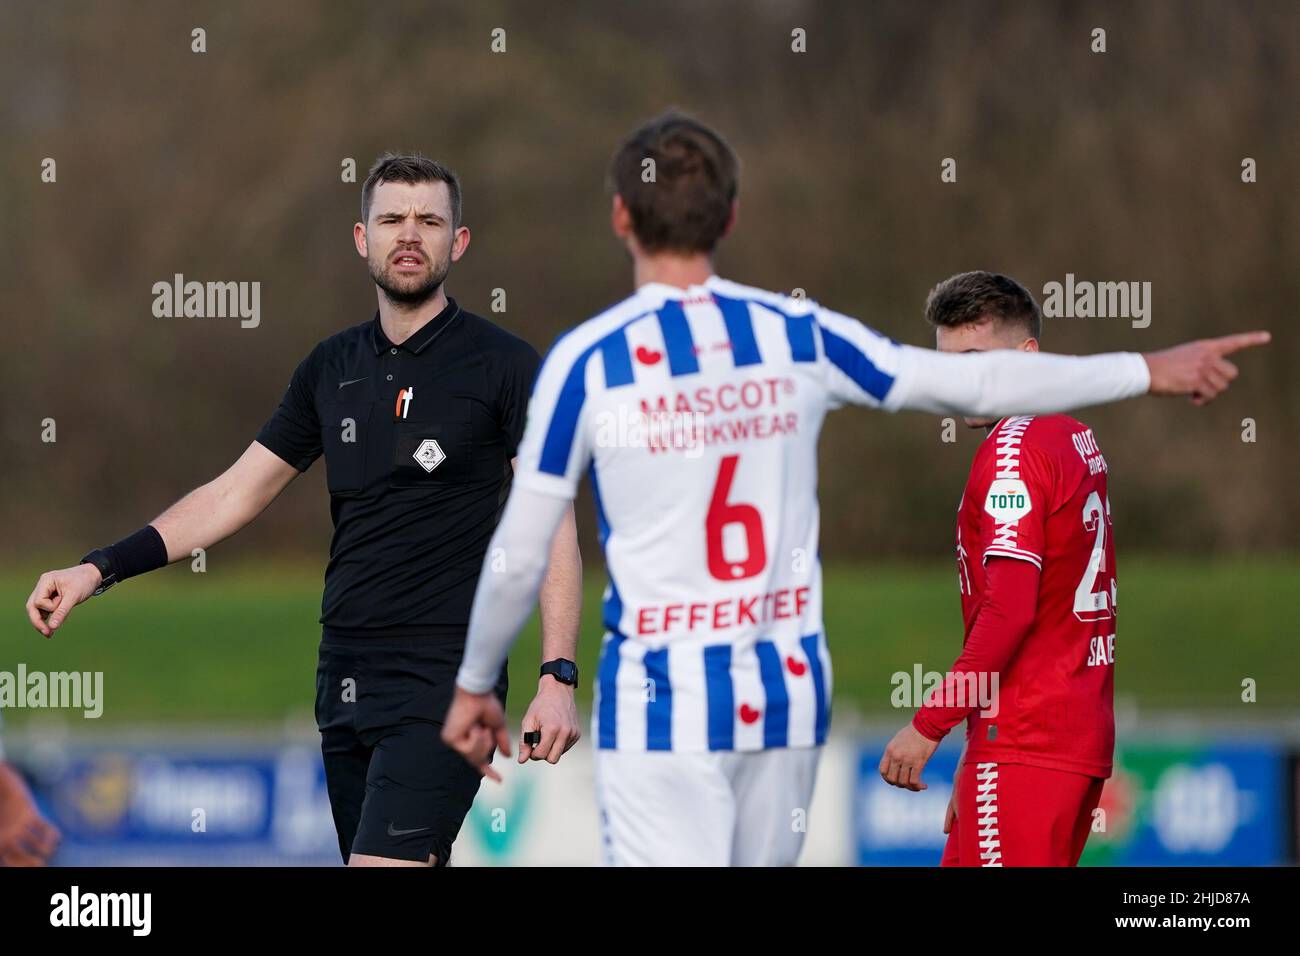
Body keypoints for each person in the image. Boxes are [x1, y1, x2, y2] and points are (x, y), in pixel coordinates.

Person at [438, 111, 1266, 866]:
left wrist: (478, 681)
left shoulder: (587, 361)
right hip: (785, 695)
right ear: (729, 218)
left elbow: (520, 546)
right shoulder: (796, 333)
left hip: (661, 697)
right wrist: (1146, 369)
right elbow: (968, 388)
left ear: (621, 216)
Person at [24, 154, 583, 867]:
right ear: (361, 237)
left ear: (458, 241)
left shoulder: (505, 367)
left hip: (448, 682)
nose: (409, 234)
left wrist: (556, 676)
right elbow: (233, 494)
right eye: (392, 219)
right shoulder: (330, 368)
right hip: (343, 679)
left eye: (429, 220)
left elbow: (551, 524)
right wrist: (96, 569)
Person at [879, 271, 1118, 866]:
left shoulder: (1013, 453)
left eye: (977, 360)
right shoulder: (1071, 435)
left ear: (1027, 358)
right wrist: (975, 744)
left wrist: (929, 725)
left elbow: (1011, 609)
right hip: (1059, 737)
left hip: (1026, 743)